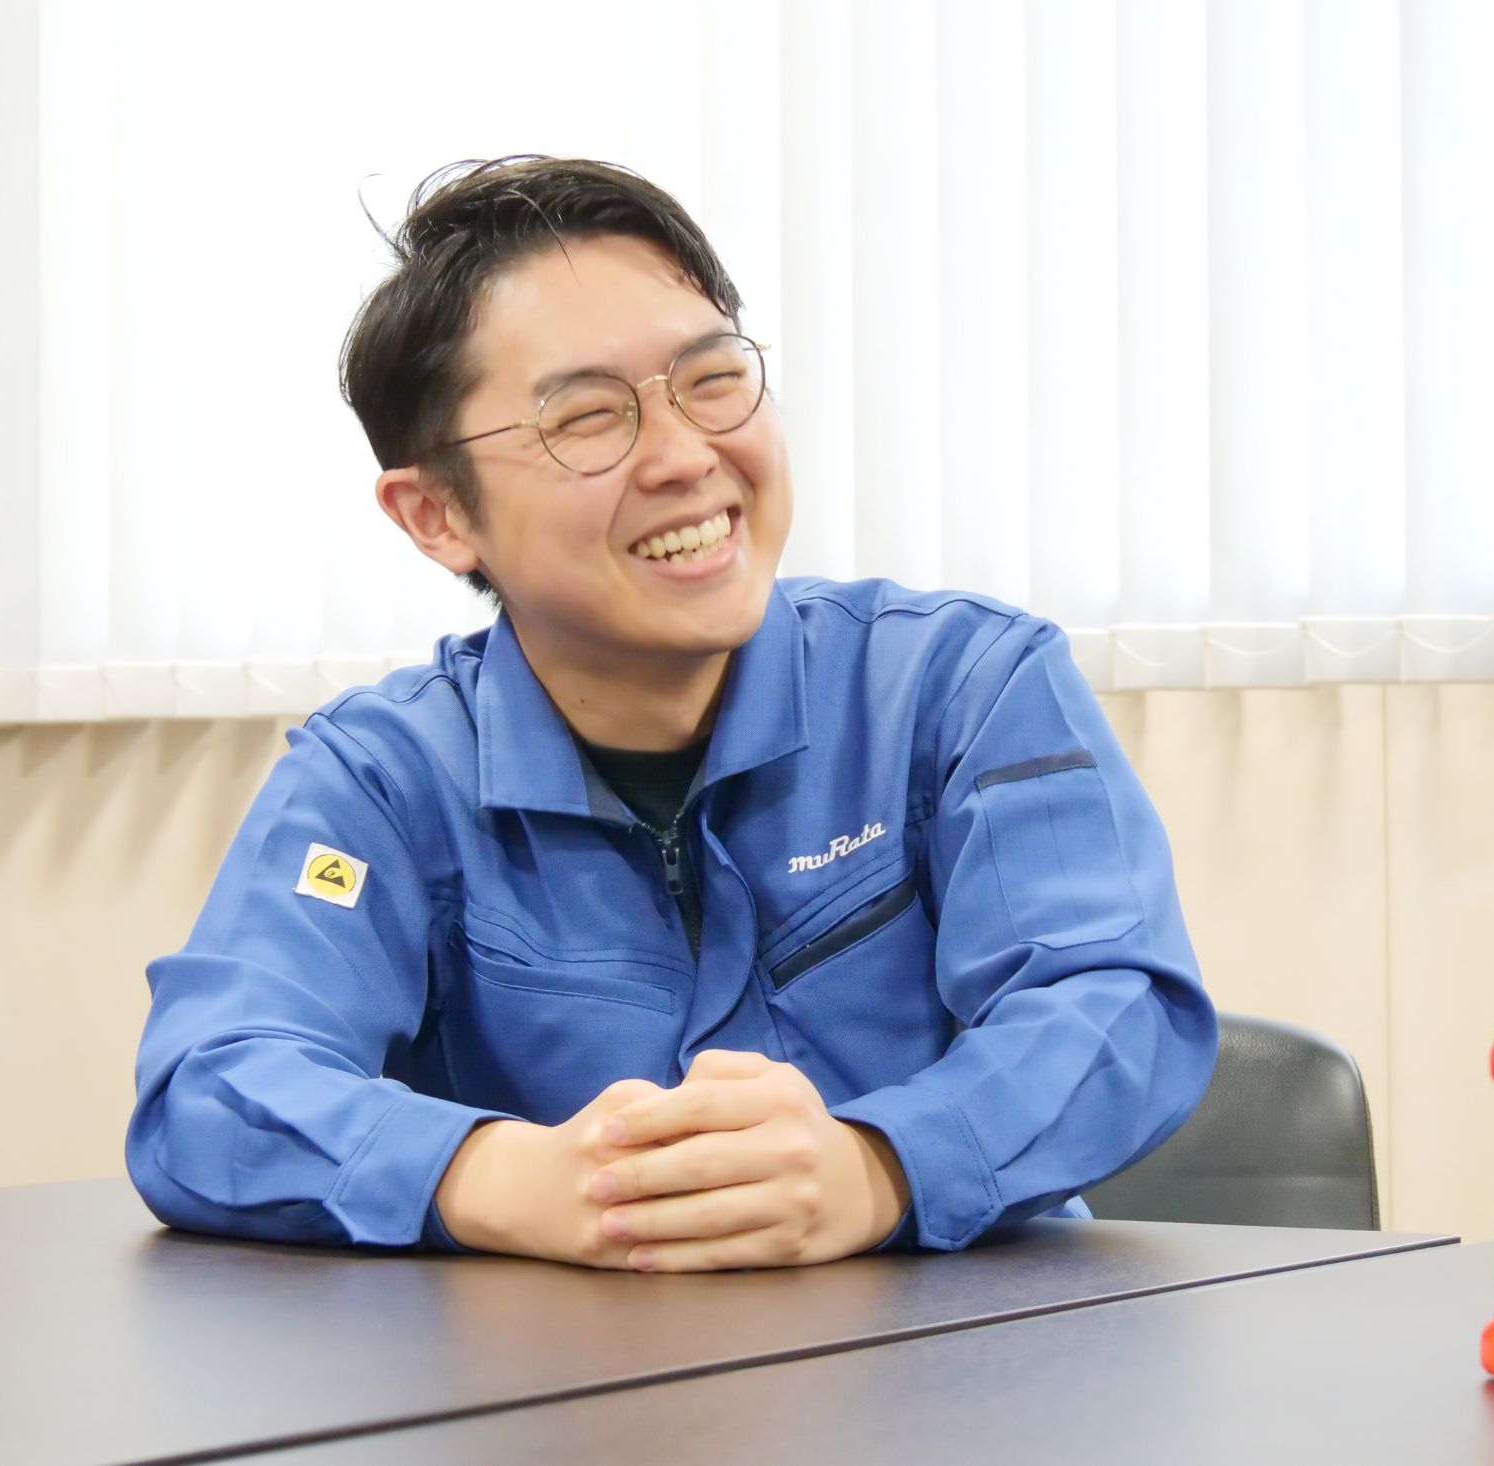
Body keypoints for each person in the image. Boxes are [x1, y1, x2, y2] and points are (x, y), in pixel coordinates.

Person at [126, 156, 1217, 1272]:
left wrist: (878, 1167)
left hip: (977, 1354)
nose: (687, 457)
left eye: (713, 379)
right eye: (589, 417)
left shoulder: (962, 686)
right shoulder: (384, 778)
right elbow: (209, 1087)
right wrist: (503, 1178)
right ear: (438, 514)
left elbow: (1117, 1006)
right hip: (551, 1370)